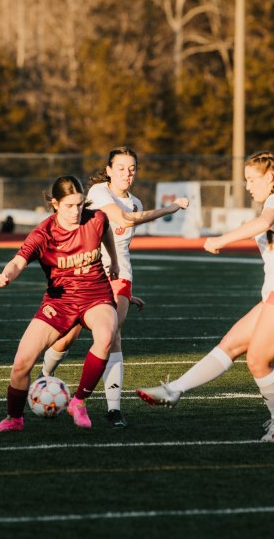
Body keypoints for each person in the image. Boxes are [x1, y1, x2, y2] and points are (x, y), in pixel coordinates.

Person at [135, 151, 274, 443]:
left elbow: (264, 223)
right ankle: (174, 390)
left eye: (252, 180)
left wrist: (222, 239)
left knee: (258, 360)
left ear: (270, 177)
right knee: (231, 344)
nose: (247, 186)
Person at [40, 146, 189, 428]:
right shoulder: (99, 193)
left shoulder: (137, 203)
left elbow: (122, 244)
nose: (126, 173)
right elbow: (122, 219)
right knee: (68, 335)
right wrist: (170, 208)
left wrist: (124, 292)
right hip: (86, 271)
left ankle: (113, 409)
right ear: (108, 170)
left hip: (120, 276)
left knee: (112, 335)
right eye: (120, 168)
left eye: (132, 169)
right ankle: (44, 376)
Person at [0, 175, 119, 433]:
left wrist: (113, 260)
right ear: (55, 204)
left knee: (105, 337)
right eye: (69, 206)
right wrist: (6, 275)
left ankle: (78, 402)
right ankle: (14, 419)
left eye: (80, 204)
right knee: (21, 363)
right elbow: (18, 261)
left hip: (96, 294)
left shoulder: (96, 218)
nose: (76, 211)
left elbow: (106, 231)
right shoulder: (44, 233)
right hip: (59, 302)